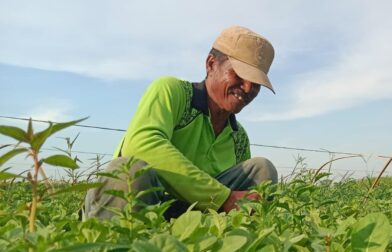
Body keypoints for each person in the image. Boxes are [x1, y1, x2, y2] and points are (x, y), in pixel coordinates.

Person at [83, 26, 278, 220]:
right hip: (138, 204)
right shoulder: (173, 91)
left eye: (256, 83)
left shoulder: (238, 137)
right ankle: (110, 246)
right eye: (239, 75)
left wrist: (226, 201)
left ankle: (226, 247)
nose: (247, 88)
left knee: (262, 169)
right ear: (211, 64)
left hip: (191, 215)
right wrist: (223, 198)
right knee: (130, 169)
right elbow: (140, 145)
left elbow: (242, 196)